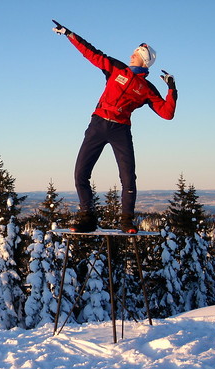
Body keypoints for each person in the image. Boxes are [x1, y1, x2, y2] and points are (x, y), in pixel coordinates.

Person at [52, 20, 177, 234]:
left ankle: (127, 221)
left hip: (121, 130)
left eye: (135, 53)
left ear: (143, 59)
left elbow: (166, 113)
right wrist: (70, 34)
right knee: (81, 173)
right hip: (98, 124)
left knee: (128, 176)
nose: (131, 55)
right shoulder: (117, 68)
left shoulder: (147, 89)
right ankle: (87, 217)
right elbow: (92, 53)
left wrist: (172, 90)